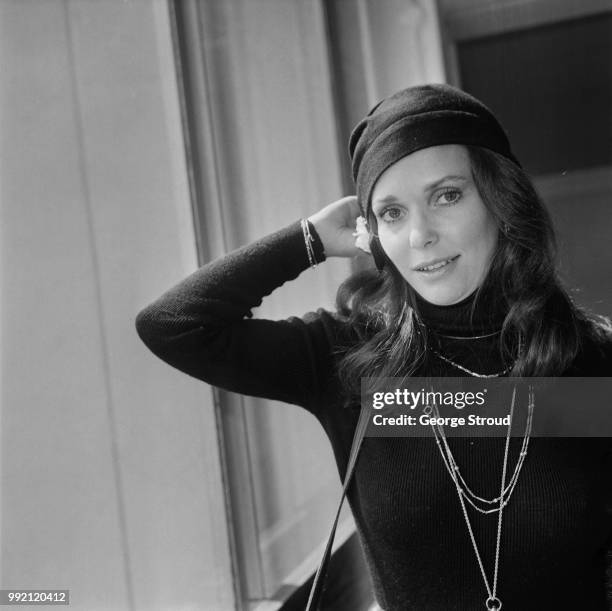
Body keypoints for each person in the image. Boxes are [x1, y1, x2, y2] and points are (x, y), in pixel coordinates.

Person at [135, 84, 612, 610]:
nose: (419, 235)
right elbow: (173, 325)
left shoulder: (593, 361)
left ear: (501, 201)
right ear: (373, 235)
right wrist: (310, 239)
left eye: (446, 195)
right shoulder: (351, 359)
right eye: (392, 213)